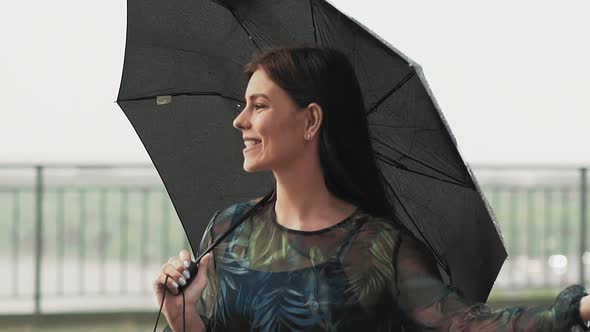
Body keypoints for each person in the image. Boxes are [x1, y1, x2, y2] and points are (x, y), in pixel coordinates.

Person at [153, 46, 590, 331]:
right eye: (242, 106)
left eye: (259, 106)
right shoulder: (229, 231)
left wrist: (577, 309)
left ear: (310, 121)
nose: (240, 120)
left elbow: (470, 325)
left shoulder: (380, 248)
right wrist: (182, 316)